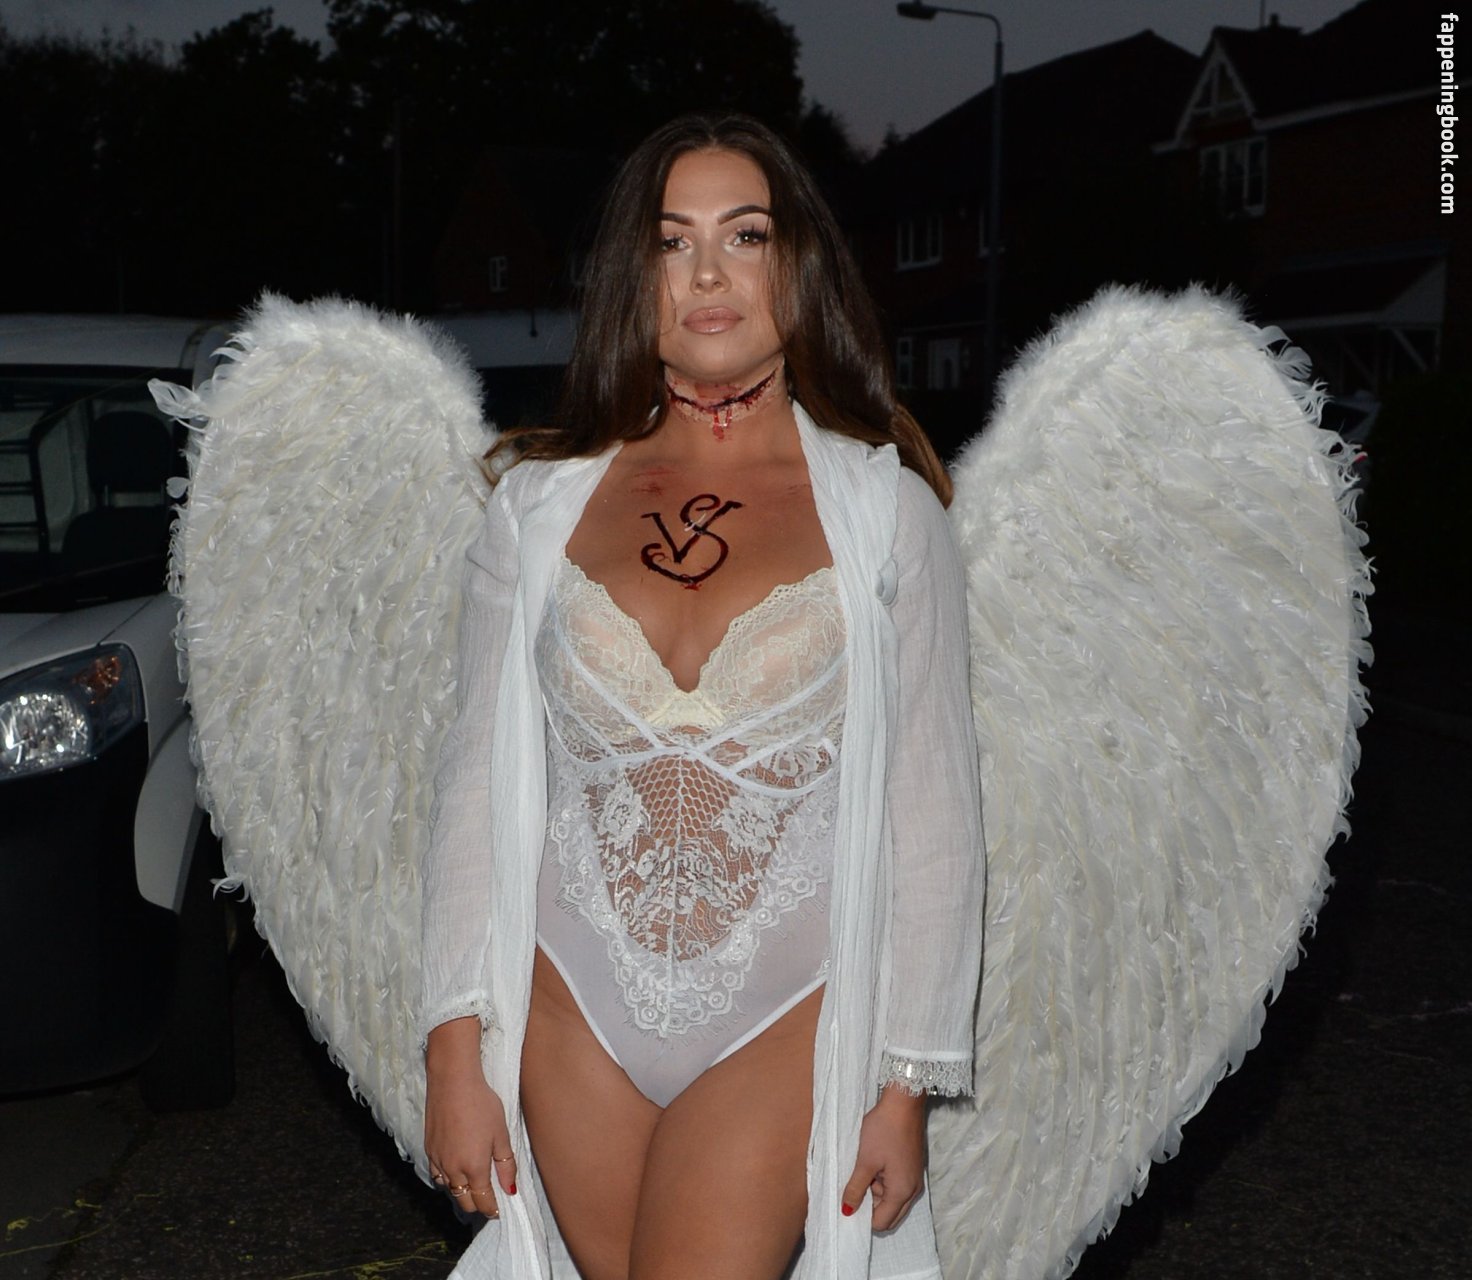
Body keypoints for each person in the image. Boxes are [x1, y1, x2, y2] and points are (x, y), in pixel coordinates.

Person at [417, 114, 986, 1280]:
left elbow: (933, 811)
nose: (708, 272)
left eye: (744, 235)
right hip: (568, 1007)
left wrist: (903, 1083)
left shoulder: (887, 515)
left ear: (797, 264)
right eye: (672, 242)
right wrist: (451, 1049)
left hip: (784, 1014)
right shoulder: (534, 511)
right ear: (635, 279)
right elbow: (471, 786)